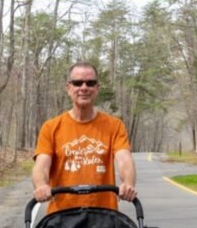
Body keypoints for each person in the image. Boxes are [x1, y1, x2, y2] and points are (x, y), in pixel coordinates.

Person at [32, 61, 137, 213]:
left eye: (90, 83)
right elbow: (41, 164)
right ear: (69, 88)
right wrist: (41, 185)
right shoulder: (51, 127)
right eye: (77, 83)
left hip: (103, 215)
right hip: (61, 216)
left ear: (97, 88)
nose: (84, 88)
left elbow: (124, 159)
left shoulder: (114, 126)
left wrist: (128, 183)